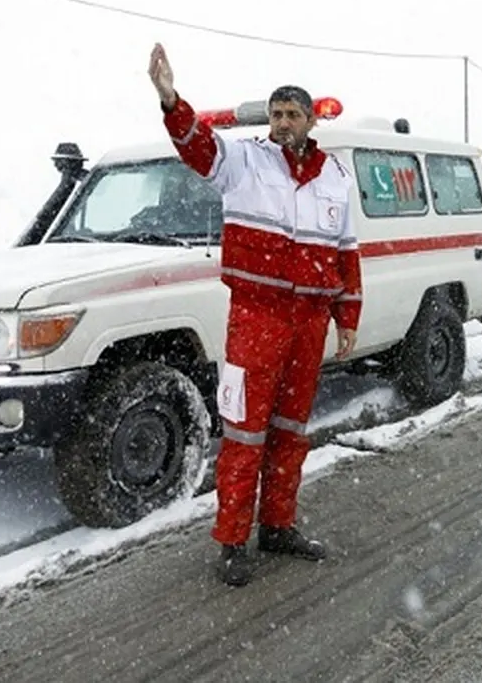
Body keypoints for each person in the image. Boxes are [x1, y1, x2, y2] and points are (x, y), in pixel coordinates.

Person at [147, 43, 363, 587]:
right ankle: (231, 540)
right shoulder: (243, 161)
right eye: (276, 113)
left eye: (293, 114)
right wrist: (171, 99)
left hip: (309, 322)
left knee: (291, 430)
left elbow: (346, 253)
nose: (283, 122)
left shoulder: (336, 176)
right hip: (256, 319)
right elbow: (197, 146)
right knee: (245, 434)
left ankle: (278, 526)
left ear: (311, 121)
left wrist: (347, 316)